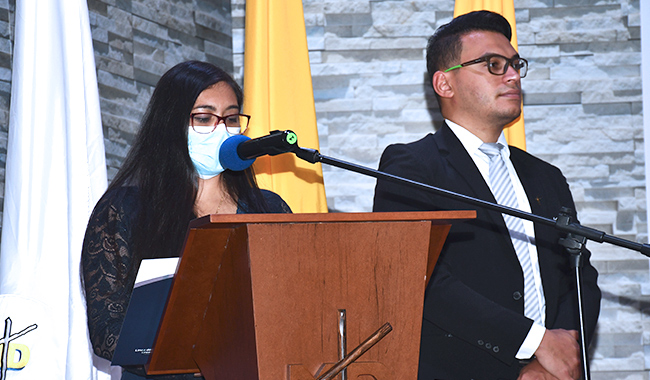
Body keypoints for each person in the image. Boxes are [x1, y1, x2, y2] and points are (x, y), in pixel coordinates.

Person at [373, 11, 601, 380]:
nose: (512, 75)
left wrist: (561, 354)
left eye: (514, 64)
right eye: (493, 65)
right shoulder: (411, 165)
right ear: (445, 84)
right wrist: (534, 346)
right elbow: (420, 280)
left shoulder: (546, 176)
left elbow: (580, 275)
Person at [81, 61, 291, 379]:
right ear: (171, 124)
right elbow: (107, 334)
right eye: (204, 118)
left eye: (231, 118)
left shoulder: (270, 209)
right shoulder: (123, 210)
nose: (222, 129)